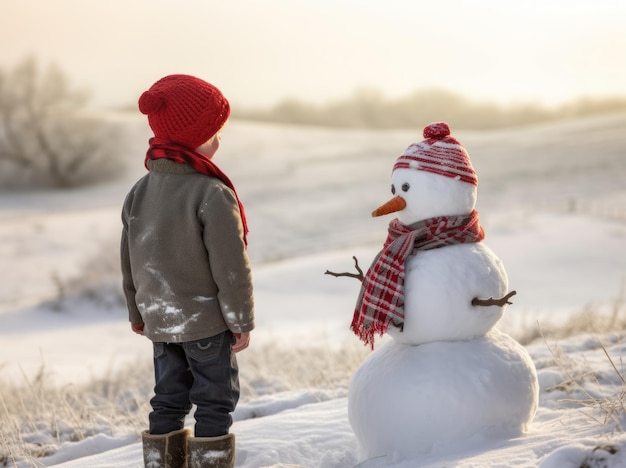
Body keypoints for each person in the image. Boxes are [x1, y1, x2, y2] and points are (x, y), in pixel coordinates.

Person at [120, 74, 254, 468]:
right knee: (214, 401)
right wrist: (241, 319)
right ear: (191, 137)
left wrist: (136, 312)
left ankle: (161, 464)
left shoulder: (139, 191)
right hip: (206, 323)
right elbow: (230, 266)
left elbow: (129, 259)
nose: (218, 140)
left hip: (160, 321)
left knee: (168, 398)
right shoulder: (211, 192)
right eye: (214, 132)